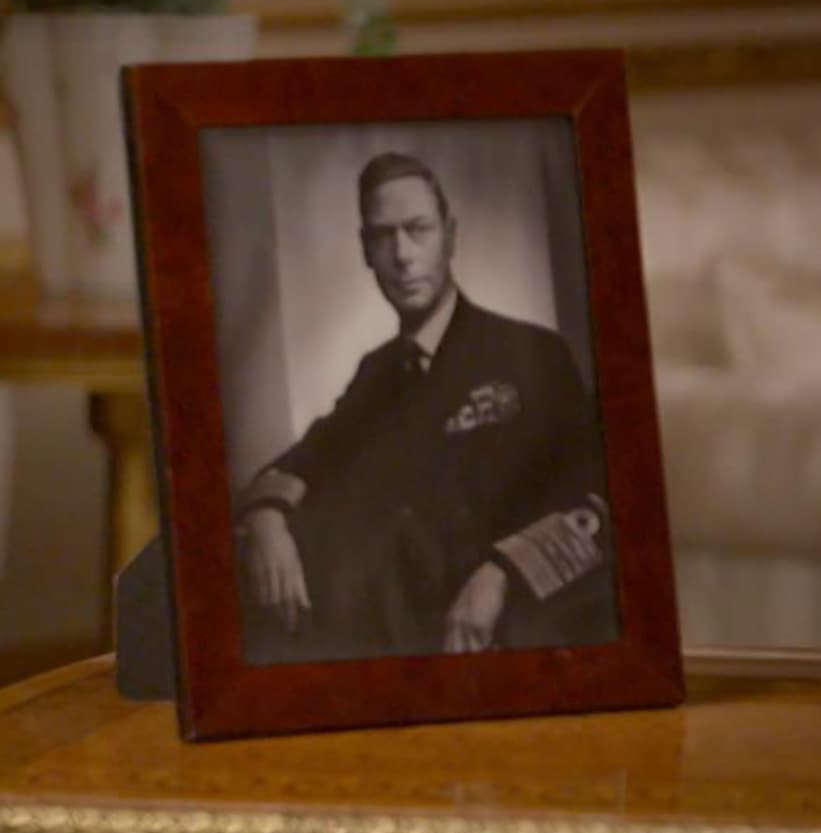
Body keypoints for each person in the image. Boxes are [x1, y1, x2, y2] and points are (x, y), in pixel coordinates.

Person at [236, 152, 614, 664]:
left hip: (509, 638)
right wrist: (266, 519)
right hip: (393, 646)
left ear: (450, 236)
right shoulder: (376, 373)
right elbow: (306, 458)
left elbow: (595, 494)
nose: (404, 255)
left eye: (419, 230)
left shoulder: (532, 353)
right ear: (365, 250)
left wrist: (502, 573)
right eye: (383, 236)